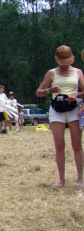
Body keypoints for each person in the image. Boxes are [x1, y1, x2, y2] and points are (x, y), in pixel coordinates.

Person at [36, 45, 84, 189]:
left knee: (76, 144)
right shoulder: (51, 73)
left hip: (74, 109)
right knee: (59, 145)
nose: (65, 65)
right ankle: (62, 180)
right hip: (57, 109)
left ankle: (80, 180)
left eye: (67, 61)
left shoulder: (78, 72)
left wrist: (77, 94)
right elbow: (39, 92)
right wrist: (49, 90)